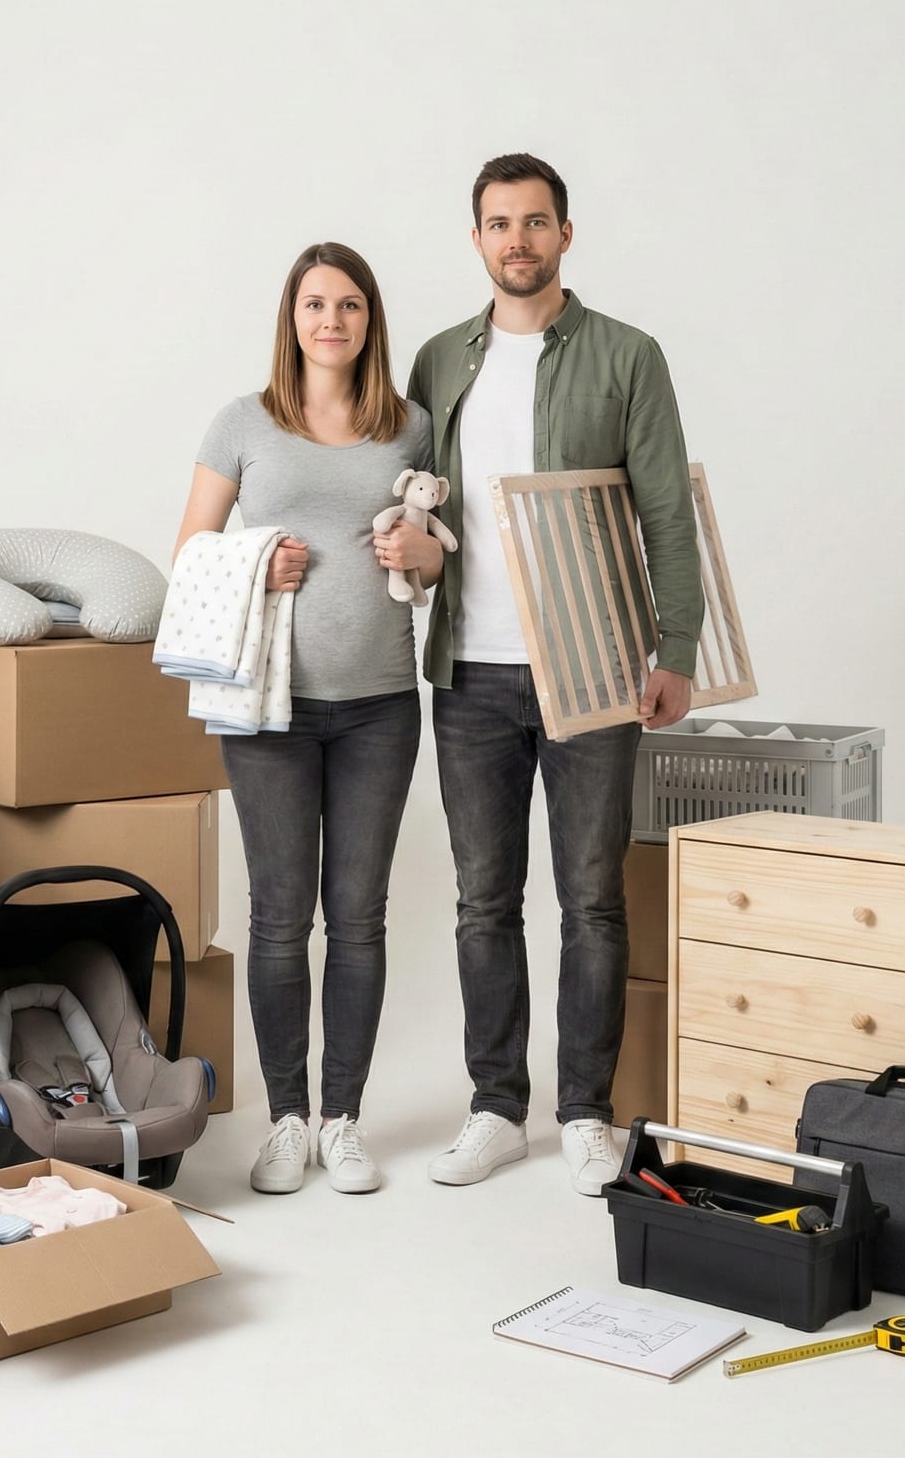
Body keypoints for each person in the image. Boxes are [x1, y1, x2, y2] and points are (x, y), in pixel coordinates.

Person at [388, 153, 703, 1195]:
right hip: (468, 675)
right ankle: (494, 1107)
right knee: (483, 901)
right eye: (496, 223)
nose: (515, 239)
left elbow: (665, 513)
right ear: (475, 239)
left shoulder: (626, 355)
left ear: (565, 233)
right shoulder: (438, 360)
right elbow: (409, 502)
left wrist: (676, 652)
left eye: (533, 221)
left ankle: (585, 1113)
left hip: (594, 670)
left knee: (590, 900)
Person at [173, 241, 434, 1195]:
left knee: (358, 919)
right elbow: (190, 552)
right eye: (316, 304)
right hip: (266, 709)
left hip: (379, 708)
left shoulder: (409, 428)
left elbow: (443, 552)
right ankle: (286, 1120)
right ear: (292, 317)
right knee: (281, 919)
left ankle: (343, 1120)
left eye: (351, 305)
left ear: (371, 321)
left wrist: (423, 551)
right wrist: (255, 561)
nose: (333, 320)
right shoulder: (244, 421)